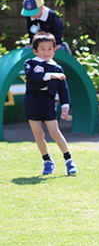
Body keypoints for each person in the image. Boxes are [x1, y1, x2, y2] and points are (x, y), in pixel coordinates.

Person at [24, 32, 77, 176]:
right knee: (39, 134)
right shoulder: (30, 64)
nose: (46, 52)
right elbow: (32, 78)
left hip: (48, 102)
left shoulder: (58, 68)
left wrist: (65, 105)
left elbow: (63, 89)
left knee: (54, 132)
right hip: (33, 102)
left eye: (50, 49)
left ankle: (69, 160)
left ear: (54, 50)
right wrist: (49, 76)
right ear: (35, 50)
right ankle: (47, 160)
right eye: (42, 49)